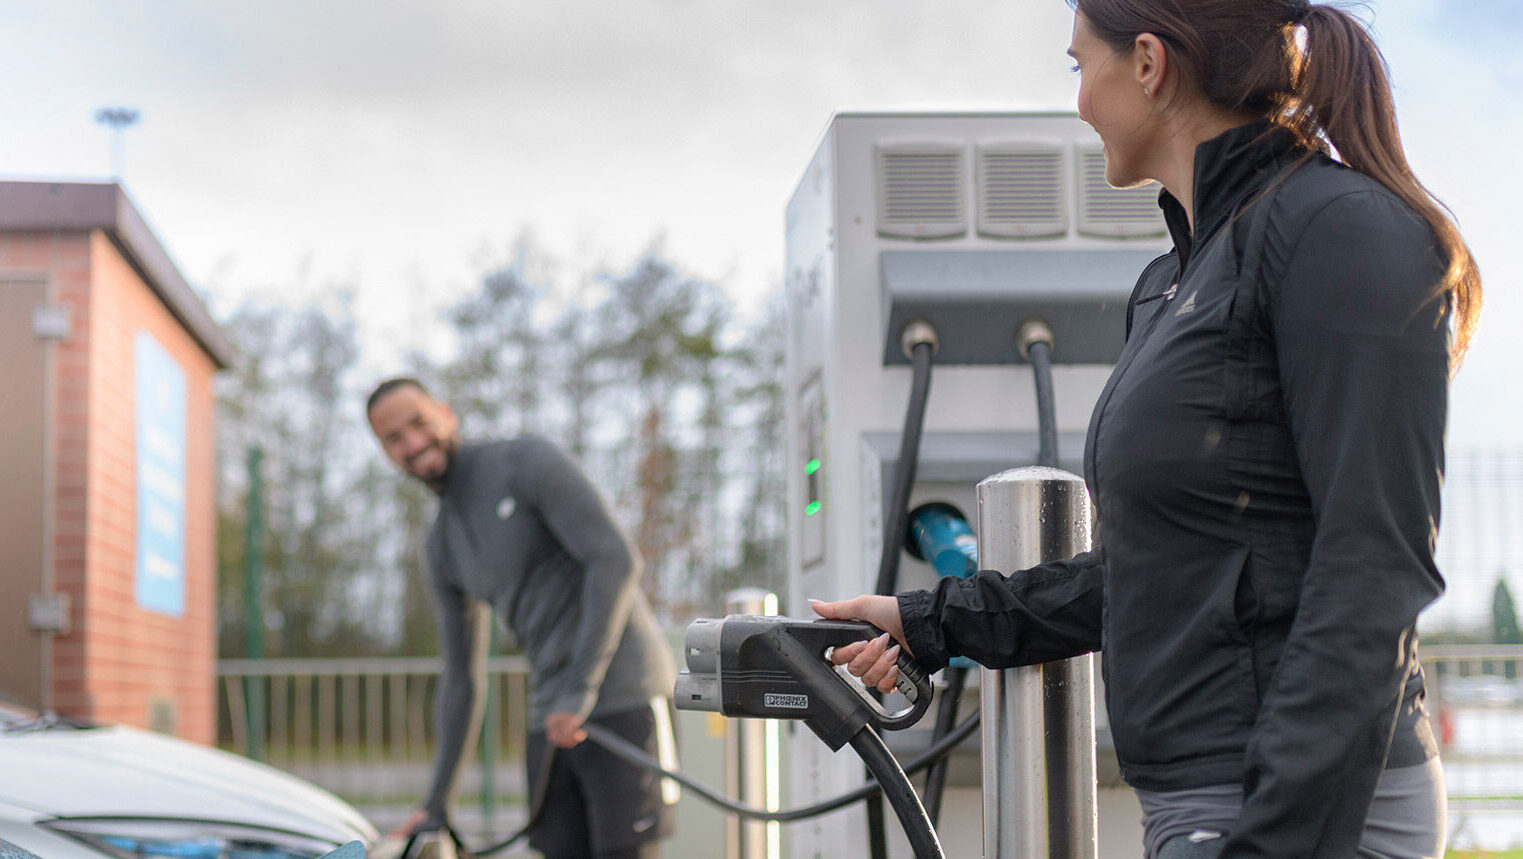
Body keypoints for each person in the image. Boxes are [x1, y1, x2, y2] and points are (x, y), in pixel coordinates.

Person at [812, 2, 1481, 857]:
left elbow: (1374, 566)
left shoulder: (1336, 232)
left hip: (1298, 804)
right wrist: (933, 620)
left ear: (1149, 64)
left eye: (1077, 66)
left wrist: (1271, 836)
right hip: (1200, 795)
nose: (1079, 101)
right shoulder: (1174, 280)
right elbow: (1152, 569)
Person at [367, 378, 678, 859]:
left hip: (622, 697)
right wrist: (436, 804)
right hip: (550, 717)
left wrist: (580, 688)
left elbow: (615, 559)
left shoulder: (526, 462)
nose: (412, 443)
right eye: (393, 438)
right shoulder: (442, 545)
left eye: (419, 423)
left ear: (446, 414)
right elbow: (460, 678)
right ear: (386, 452)